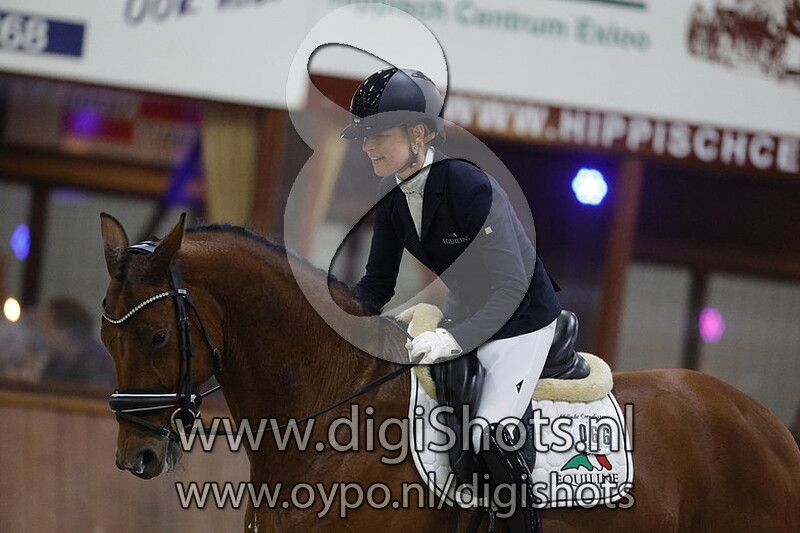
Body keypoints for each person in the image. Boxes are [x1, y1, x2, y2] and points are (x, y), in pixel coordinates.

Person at [341, 67, 561, 533]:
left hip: (522, 320)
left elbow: (512, 286)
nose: (366, 145)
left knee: (489, 435)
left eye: (377, 134)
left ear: (418, 134)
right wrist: (336, 320)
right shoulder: (389, 191)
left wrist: (453, 339)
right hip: (466, 313)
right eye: (363, 136)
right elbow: (376, 285)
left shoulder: (467, 185)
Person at [40, 297, 115, 388]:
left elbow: (95, 395)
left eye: (47, 328)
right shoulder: (56, 363)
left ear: (65, 332)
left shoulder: (98, 365)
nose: (42, 334)